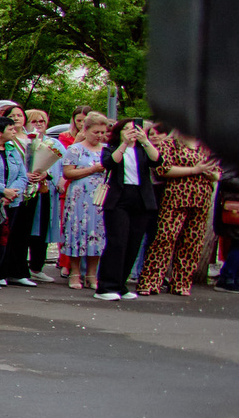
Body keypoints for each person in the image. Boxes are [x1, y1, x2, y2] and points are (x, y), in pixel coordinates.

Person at [141, 128, 219, 297]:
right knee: (164, 239)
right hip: (176, 197)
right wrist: (195, 169)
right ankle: (150, 281)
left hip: (201, 198)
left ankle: (181, 283)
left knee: (192, 242)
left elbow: (218, 174)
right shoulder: (170, 144)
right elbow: (163, 169)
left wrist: (210, 172)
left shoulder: (206, 147)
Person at [94, 117, 161, 300]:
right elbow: (110, 163)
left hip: (141, 198)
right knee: (117, 242)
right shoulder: (112, 149)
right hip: (119, 199)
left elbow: (157, 160)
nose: (132, 132)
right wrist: (124, 144)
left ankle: (121, 285)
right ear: (120, 132)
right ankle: (106, 287)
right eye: (127, 129)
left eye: (135, 129)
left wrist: (145, 140)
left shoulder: (143, 150)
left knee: (133, 242)